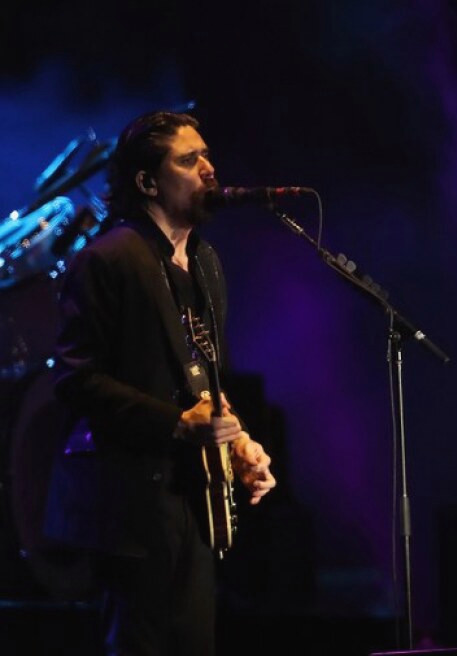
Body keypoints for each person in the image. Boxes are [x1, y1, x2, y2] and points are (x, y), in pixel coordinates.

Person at [46, 109, 277, 655]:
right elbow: (76, 381)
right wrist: (176, 424)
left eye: (207, 155)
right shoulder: (107, 260)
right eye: (188, 160)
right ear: (148, 182)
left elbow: (206, 381)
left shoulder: (206, 262)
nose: (209, 169)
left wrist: (239, 442)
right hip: (131, 509)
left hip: (195, 501)